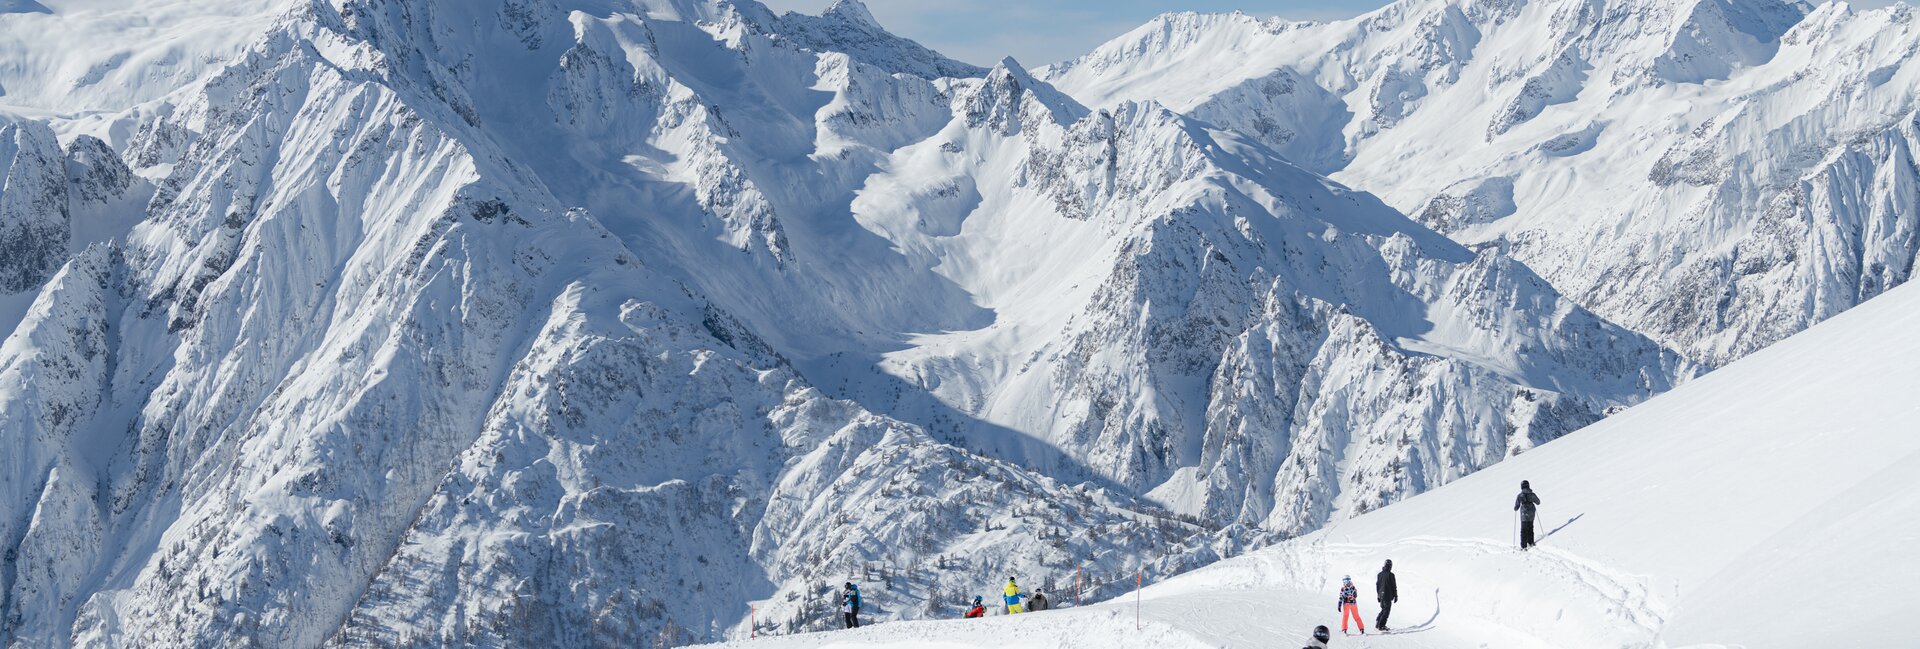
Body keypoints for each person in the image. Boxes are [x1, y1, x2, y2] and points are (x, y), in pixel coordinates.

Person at [1515, 480, 1542, 549]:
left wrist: (1516, 508)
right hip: (1531, 513)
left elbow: (1516, 507)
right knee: (1530, 527)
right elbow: (1538, 502)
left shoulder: (1520, 495)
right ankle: (1531, 542)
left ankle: (1523, 546)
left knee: (1524, 529)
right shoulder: (1532, 494)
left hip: (1524, 513)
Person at [1375, 560, 1397, 631]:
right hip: (1387, 596)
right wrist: (1396, 595)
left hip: (1381, 595)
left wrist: (1378, 595)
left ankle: (1378, 621)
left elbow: (1377, 586)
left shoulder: (1379, 574)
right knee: (1386, 611)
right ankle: (1381, 626)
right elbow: (1394, 586)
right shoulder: (1391, 575)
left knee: (1383, 609)